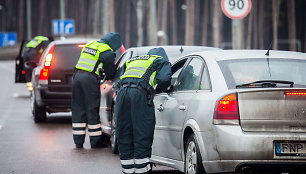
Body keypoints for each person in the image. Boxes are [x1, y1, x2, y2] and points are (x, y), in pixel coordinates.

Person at [115, 48, 172, 173]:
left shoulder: (132, 60)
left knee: (124, 133)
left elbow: (121, 79)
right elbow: (163, 80)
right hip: (139, 95)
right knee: (142, 133)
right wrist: (165, 89)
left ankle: (128, 171)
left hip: (121, 94)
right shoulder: (161, 61)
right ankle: (142, 171)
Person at [71, 32, 122, 149]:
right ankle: (95, 142)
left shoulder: (90, 44)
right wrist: (108, 76)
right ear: (114, 44)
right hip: (89, 79)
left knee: (78, 108)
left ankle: (78, 141)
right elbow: (110, 72)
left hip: (77, 77)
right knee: (92, 108)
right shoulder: (107, 51)